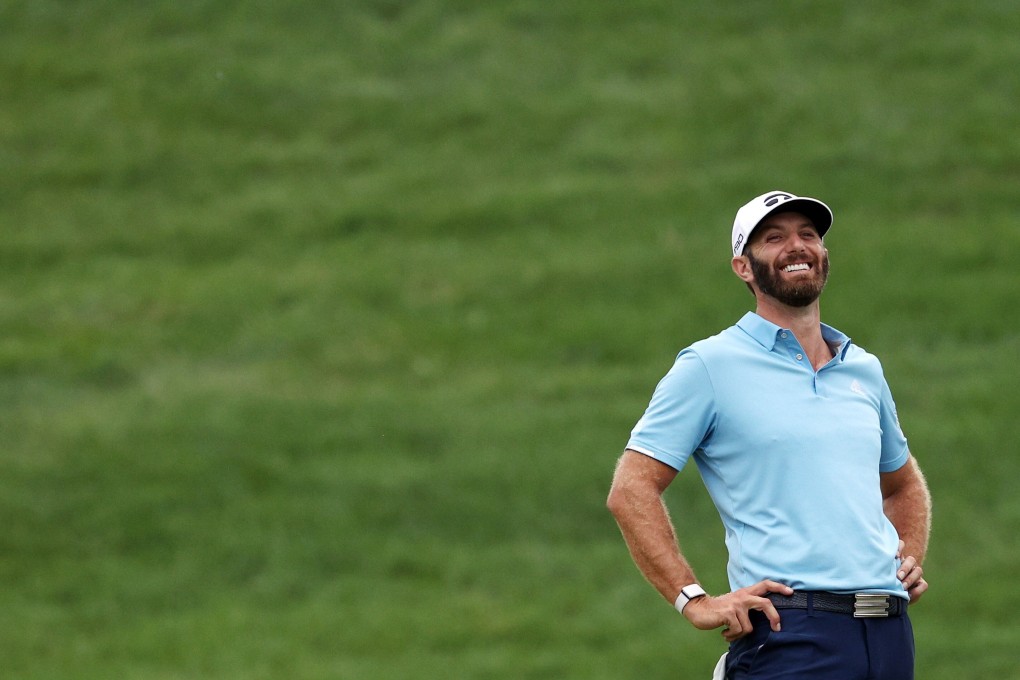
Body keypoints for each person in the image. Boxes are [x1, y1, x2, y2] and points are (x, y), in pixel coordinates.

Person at [606, 191, 932, 679]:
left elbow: (903, 483)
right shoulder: (709, 366)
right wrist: (693, 600)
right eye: (774, 238)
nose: (796, 246)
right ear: (743, 266)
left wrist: (908, 554)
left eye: (808, 235)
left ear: (824, 254)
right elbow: (630, 489)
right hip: (793, 631)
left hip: (888, 635)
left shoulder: (863, 368)